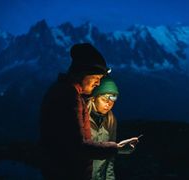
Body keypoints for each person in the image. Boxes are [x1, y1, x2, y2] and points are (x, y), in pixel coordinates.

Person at [39, 43, 137, 180]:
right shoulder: (68, 97)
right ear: (82, 74)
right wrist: (117, 148)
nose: (98, 84)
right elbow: (78, 147)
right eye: (96, 78)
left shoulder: (65, 92)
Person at [87, 76, 120, 180]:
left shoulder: (111, 120)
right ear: (93, 98)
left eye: (112, 100)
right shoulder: (82, 118)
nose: (108, 104)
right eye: (104, 99)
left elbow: (110, 158)